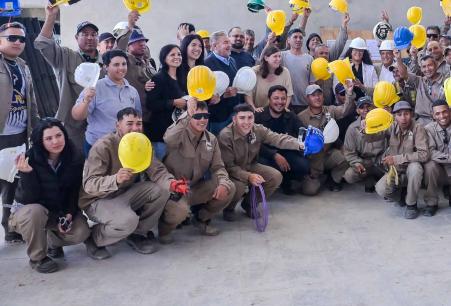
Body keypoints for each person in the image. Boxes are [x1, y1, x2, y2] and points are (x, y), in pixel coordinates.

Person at [79, 108, 178, 259]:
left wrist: (173, 184)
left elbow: (157, 171)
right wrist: (115, 179)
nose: (135, 128)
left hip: (123, 192)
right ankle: (94, 238)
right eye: (129, 123)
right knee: (128, 221)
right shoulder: (103, 146)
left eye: (139, 124)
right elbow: (90, 184)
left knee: (161, 190)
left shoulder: (141, 144)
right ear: (118, 125)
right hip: (97, 199)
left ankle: (137, 235)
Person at [8, 118, 90, 273]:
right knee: (35, 211)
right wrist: (27, 174)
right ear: (40, 141)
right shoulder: (29, 159)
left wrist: (69, 214)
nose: (55, 141)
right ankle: (37, 257)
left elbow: (74, 191)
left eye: (59, 135)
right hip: (28, 213)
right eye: (49, 138)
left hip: (56, 212)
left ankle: (52, 241)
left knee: (81, 231)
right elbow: (29, 199)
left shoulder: (74, 157)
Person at [158, 99, 234, 242]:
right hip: (173, 190)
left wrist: (223, 182)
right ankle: (164, 229)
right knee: (179, 212)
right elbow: (168, 138)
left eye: (205, 116)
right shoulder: (179, 134)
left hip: (194, 188)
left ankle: (200, 218)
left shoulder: (211, 139)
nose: (202, 120)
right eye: (197, 116)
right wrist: (187, 114)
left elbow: (217, 166)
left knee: (229, 187)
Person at [218, 104, 303, 221]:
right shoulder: (225, 135)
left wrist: (298, 144)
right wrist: (248, 176)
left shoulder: (258, 129)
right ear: (234, 119)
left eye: (250, 118)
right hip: (232, 172)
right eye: (242, 118)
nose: (246, 122)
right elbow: (228, 166)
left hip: (250, 165)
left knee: (275, 177)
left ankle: (249, 203)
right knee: (239, 185)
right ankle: (229, 208)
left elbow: (276, 138)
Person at [35, 3, 101, 150]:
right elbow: (44, 44)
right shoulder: (65, 56)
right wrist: (51, 16)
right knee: (74, 165)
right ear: (77, 37)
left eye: (93, 34)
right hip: (72, 126)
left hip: (100, 124)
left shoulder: (105, 63)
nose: (90, 37)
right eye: (85, 34)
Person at [1, 22, 40, 244]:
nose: (17, 42)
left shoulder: (23, 66)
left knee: (12, 183)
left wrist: (35, 130)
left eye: (22, 39)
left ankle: (9, 225)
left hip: (18, 135)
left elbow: (31, 101)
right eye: (12, 38)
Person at [361, 101, 430, 219]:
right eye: (399, 114)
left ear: (412, 114)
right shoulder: (392, 126)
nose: (403, 118)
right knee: (381, 189)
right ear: (394, 116)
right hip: (396, 171)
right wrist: (365, 129)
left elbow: (424, 154)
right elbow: (373, 137)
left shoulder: (418, 128)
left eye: (406, 114)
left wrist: (397, 159)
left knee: (415, 168)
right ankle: (401, 196)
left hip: (412, 172)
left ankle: (411, 204)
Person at [72, 49, 142, 158]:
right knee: (98, 175)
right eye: (116, 65)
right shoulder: (95, 87)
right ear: (106, 67)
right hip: (98, 146)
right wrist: (86, 101)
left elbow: (138, 120)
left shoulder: (132, 91)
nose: (121, 68)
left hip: (126, 146)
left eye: (124, 64)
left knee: (128, 175)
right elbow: (77, 115)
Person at [298, 82, 355, 195]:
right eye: (313, 95)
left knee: (347, 156)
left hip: (328, 154)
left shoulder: (331, 110)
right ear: (307, 99)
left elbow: (345, 110)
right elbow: (298, 143)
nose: (317, 97)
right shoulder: (301, 117)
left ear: (323, 97)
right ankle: (317, 177)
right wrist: (304, 168)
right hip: (312, 160)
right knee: (310, 191)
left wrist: (349, 94)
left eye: (319, 94)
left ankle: (333, 179)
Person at [255, 86, 311, 195]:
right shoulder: (258, 116)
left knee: (304, 166)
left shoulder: (290, 115)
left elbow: (302, 131)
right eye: (276, 98)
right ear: (268, 100)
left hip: (286, 152)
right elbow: (255, 143)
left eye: (283, 98)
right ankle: (266, 185)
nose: (280, 102)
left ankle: (285, 181)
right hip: (264, 153)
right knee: (262, 163)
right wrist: (274, 155)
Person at [115, 11, 157, 128]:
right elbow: (118, 49)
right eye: (137, 41)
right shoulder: (126, 62)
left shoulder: (149, 62)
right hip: (136, 119)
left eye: (143, 40)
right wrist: (129, 26)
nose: (142, 43)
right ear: (128, 47)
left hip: (153, 116)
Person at [146, 45, 187, 160]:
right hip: (161, 133)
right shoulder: (158, 78)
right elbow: (151, 104)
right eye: (172, 54)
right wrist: (172, 102)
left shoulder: (181, 78)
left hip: (178, 132)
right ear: (164, 58)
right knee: (162, 169)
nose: (177, 57)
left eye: (179, 54)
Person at [342, 97, 387, 193]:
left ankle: (385, 183)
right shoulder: (352, 128)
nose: (366, 110)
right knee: (349, 176)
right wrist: (358, 165)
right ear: (357, 111)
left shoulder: (384, 123)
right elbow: (350, 153)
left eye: (368, 106)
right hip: (365, 162)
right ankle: (368, 179)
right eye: (362, 108)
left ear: (373, 107)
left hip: (382, 160)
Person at [394, 49, 445, 126]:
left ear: (436, 65)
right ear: (421, 69)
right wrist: (398, 58)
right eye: (424, 66)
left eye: (430, 65)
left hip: (439, 122)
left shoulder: (446, 82)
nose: (427, 69)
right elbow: (403, 74)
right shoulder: (419, 81)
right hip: (421, 122)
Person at [203, 31, 240, 135]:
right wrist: (224, 95)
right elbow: (205, 95)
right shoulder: (206, 64)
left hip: (233, 112)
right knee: (218, 147)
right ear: (215, 46)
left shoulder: (232, 60)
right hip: (218, 117)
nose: (230, 45)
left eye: (229, 42)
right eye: (225, 43)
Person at [244, 45, 293, 111]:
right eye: (275, 56)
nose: (278, 59)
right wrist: (253, 109)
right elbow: (248, 94)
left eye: (279, 56)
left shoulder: (285, 72)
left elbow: (289, 94)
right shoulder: (254, 71)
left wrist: (284, 109)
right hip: (259, 112)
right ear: (266, 58)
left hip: (278, 112)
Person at [281, 28, 315, 115]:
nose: (298, 40)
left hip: (304, 103)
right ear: (288, 40)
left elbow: (312, 83)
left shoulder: (309, 58)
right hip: (286, 103)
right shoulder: (282, 56)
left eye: (300, 38)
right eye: (295, 37)